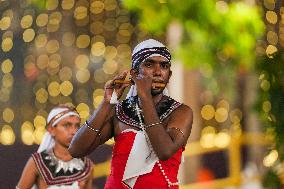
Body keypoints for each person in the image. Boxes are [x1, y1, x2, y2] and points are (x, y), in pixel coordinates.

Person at [68, 39, 193, 189]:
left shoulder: (181, 112)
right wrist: (107, 102)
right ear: (134, 73)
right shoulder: (119, 111)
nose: (158, 72)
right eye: (149, 64)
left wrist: (145, 97)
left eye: (164, 66)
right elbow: (76, 150)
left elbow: (164, 151)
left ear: (169, 74)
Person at [17, 105, 94, 189]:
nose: (73, 131)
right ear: (51, 129)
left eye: (77, 126)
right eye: (67, 125)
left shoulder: (86, 165)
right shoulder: (37, 162)